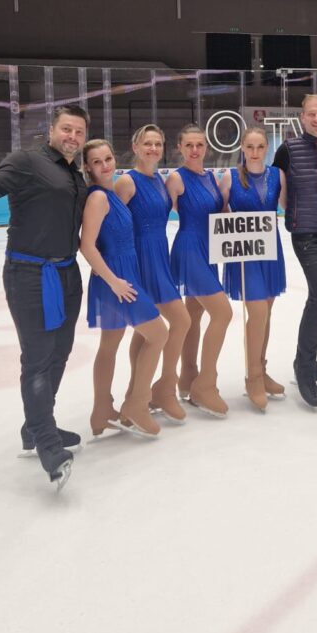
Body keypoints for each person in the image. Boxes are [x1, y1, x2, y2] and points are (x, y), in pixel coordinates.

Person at [0, 105, 90, 489]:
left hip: (67, 272)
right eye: (67, 129)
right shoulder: (27, 161)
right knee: (38, 359)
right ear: (51, 130)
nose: (73, 137)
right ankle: (48, 446)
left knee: (59, 353)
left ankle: (35, 426)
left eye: (79, 131)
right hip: (29, 274)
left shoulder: (74, 173)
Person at [80, 140, 168, 438]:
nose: (105, 165)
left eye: (108, 158)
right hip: (116, 280)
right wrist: (114, 281)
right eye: (97, 162)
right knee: (159, 334)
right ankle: (137, 404)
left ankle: (101, 411)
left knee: (109, 344)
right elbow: (86, 246)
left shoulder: (110, 194)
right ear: (87, 167)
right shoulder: (98, 198)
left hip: (122, 274)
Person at [114, 125, 191, 424]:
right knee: (169, 324)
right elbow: (112, 225)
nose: (153, 148)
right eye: (147, 143)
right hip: (138, 259)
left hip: (160, 255)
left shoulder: (160, 180)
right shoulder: (127, 182)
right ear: (135, 147)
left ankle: (149, 393)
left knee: (157, 328)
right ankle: (145, 395)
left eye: (158, 143)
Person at [273, 94, 317, 408]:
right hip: (304, 235)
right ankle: (303, 366)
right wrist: (297, 216)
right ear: (302, 117)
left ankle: (309, 360)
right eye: (311, 114)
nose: (316, 119)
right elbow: (280, 192)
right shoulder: (287, 149)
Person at [166, 123, 234, 417]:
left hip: (211, 248)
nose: (195, 150)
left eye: (199, 145)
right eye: (189, 145)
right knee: (222, 313)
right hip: (190, 249)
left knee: (194, 314)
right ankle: (205, 384)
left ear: (206, 147)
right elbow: (161, 212)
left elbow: (221, 213)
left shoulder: (211, 177)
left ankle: (187, 376)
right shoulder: (175, 178)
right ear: (180, 148)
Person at [220, 126, 287, 411]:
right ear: (242, 148)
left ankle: (261, 366)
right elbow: (220, 213)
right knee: (258, 311)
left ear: (267, 148)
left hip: (270, 248)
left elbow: (287, 206)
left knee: (266, 312)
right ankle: (253, 377)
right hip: (244, 253)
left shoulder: (277, 175)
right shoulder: (230, 177)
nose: (255, 152)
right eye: (250, 147)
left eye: (260, 147)